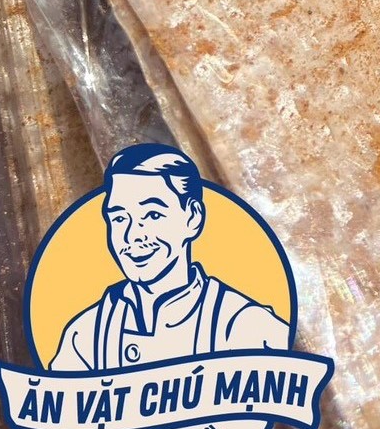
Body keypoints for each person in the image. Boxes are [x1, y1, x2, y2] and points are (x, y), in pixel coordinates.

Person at [50, 144, 288, 371]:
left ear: (193, 217)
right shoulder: (87, 335)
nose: (133, 235)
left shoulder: (245, 326)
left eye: (152, 215)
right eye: (120, 218)